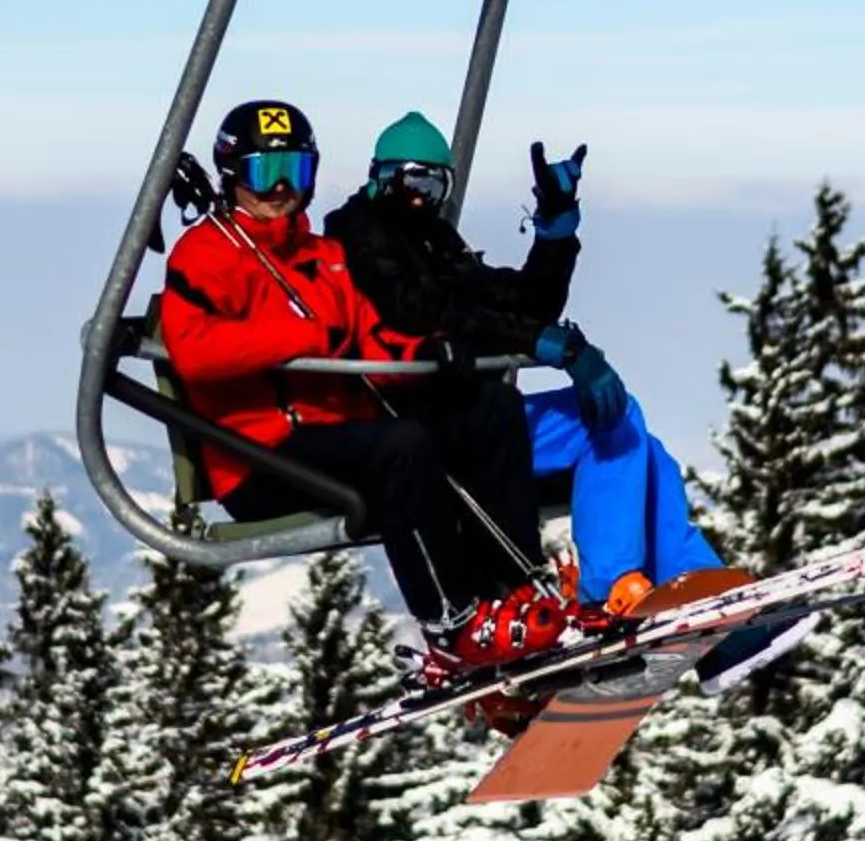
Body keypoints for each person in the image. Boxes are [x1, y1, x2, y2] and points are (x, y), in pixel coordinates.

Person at [157, 98, 573, 669]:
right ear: (232, 176)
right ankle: (450, 625)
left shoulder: (323, 257)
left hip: (341, 435)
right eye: (264, 172)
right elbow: (196, 352)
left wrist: (427, 351)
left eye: (295, 171)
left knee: (490, 408)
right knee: (402, 448)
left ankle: (511, 593)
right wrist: (296, 336)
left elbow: (370, 341)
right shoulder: (206, 255)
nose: (280, 188)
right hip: (264, 456)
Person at [324, 111, 727, 619]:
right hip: (428, 430)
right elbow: (424, 307)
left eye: (435, 182)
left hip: (475, 422)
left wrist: (555, 237)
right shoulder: (360, 236)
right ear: (380, 176)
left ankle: (697, 591)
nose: (422, 196)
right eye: (411, 180)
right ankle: (610, 594)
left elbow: (518, 305)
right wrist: (544, 344)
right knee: (616, 426)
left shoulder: (434, 241)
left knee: (627, 433)